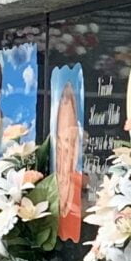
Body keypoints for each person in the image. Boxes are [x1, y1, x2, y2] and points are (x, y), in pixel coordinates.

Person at [51, 73, 84, 242]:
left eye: (69, 141)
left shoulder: (81, 186)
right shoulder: (49, 190)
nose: (64, 152)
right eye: (60, 143)